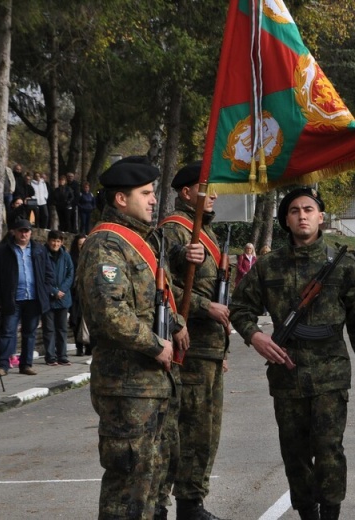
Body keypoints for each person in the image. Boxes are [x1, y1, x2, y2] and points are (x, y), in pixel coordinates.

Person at [229, 186, 355, 520]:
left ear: (321, 217)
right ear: (286, 221)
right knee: (294, 454)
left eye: (309, 209)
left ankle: (331, 513)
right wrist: (255, 337)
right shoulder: (268, 266)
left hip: (330, 375)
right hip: (287, 374)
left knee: (329, 451)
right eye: (294, 211)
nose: (302, 215)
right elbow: (239, 308)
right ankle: (307, 512)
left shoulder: (342, 264)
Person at [77, 157, 180, 519]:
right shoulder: (106, 245)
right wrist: (156, 344)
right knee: (127, 485)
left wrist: (177, 325)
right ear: (121, 199)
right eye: (146, 193)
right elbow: (110, 314)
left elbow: (152, 302)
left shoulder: (143, 242)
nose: (154, 200)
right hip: (126, 386)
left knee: (152, 481)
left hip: (152, 384)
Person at [155, 160, 228, 520]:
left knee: (207, 431)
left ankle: (192, 502)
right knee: (183, 429)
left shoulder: (209, 232)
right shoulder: (175, 229)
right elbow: (162, 284)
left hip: (211, 347)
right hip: (190, 345)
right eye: (205, 189)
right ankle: (164, 503)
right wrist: (202, 306)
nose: (213, 195)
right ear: (186, 193)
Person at [0, 218, 54, 376]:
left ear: (31, 232)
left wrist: (45, 290)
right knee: (7, 331)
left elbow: (48, 273)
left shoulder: (39, 250)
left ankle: (26, 364)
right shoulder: (4, 251)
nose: (24, 234)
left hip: (33, 298)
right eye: (21, 231)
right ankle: (2, 365)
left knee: (29, 333)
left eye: (26, 231)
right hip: (13, 298)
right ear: (14, 232)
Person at [42, 230, 74, 366]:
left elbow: (70, 274)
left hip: (63, 298)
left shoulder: (66, 256)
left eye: (58, 241)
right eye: (53, 241)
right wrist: (54, 291)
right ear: (49, 241)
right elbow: (41, 276)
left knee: (62, 329)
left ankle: (63, 355)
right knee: (49, 329)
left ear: (62, 243)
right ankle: (50, 357)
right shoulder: (42, 255)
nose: (55, 244)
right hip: (48, 298)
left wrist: (62, 290)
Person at [68, 234, 91, 357]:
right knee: (76, 321)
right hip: (75, 295)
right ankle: (79, 346)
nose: (82, 247)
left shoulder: (91, 257)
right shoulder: (72, 258)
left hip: (88, 294)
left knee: (88, 321)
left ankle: (88, 346)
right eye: (80, 245)